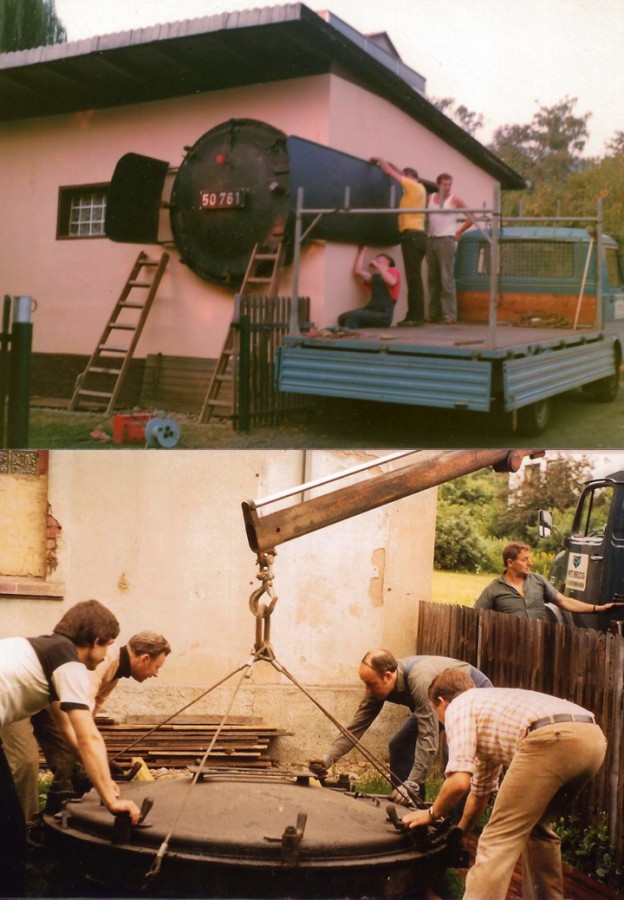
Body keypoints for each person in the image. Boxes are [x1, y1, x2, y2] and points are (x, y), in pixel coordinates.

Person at [401, 668, 607, 900]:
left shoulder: (458, 706)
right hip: (592, 740)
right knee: (538, 828)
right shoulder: (489, 709)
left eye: (436, 711)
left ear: (442, 702)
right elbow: (480, 793)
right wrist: (460, 833)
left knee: (497, 839)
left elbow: (459, 781)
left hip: (550, 737)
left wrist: (431, 813)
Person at [0, 600, 141, 897]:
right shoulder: (69, 664)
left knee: (9, 825)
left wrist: (105, 784)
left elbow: (69, 733)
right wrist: (112, 802)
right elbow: (87, 735)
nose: (105, 658)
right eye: (107, 647)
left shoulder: (46, 652)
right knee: (10, 831)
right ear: (95, 641)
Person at [0, 630, 171, 820]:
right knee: (25, 761)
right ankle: (24, 824)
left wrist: (95, 760)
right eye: (157, 667)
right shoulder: (102, 663)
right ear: (145, 659)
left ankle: (57, 808)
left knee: (65, 759)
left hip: (49, 697)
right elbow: (78, 718)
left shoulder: (115, 673)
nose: (156, 674)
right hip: (20, 691)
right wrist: (97, 769)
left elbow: (90, 714)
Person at [311, 650, 491, 803]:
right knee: (399, 745)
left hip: (474, 690)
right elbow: (356, 726)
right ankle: (410, 805)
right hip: (436, 703)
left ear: (388, 676)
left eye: (370, 684)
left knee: (455, 758)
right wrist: (328, 758)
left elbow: (427, 736)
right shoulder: (377, 684)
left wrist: (412, 782)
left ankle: (453, 825)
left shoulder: (419, 680)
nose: (367, 690)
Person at [475, 541, 623, 621]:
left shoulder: (538, 581)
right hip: (508, 647)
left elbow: (564, 602)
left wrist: (598, 608)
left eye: (529, 558)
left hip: (539, 645)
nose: (530, 563)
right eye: (524, 559)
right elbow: (475, 615)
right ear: (510, 563)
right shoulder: (494, 589)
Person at [372, 158, 427, 326]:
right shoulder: (420, 187)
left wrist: (379, 160)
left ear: (409, 177)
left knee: (413, 279)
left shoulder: (412, 186)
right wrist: (395, 166)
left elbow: (390, 173)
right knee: (415, 278)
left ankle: (415, 317)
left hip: (411, 236)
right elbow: (399, 172)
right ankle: (415, 315)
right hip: (418, 236)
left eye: (404, 176)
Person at [426, 173, 475, 324]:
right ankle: (433, 314)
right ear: (437, 185)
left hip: (447, 239)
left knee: (446, 278)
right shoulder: (429, 198)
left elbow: (472, 216)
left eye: (449, 185)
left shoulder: (454, 199)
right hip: (431, 239)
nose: (447, 187)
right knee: (432, 279)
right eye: (444, 184)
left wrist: (459, 232)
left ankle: (449, 315)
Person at [337, 247, 400, 329]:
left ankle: (350, 337)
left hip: (383, 315)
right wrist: (362, 252)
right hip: (370, 311)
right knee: (342, 318)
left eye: (379, 258)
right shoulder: (375, 278)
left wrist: (378, 266)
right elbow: (358, 271)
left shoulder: (393, 271)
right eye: (375, 258)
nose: (376, 259)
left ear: (388, 260)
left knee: (353, 317)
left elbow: (392, 282)